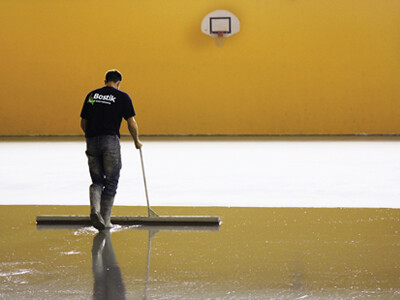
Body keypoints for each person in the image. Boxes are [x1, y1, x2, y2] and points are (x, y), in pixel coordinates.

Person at [80, 69, 142, 230]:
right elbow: (131, 122)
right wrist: (136, 141)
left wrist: (91, 136)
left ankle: (95, 209)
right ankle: (105, 221)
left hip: (91, 140)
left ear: (105, 80)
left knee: (97, 180)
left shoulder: (92, 96)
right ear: (118, 83)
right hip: (110, 141)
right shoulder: (122, 97)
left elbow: (83, 122)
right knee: (112, 180)